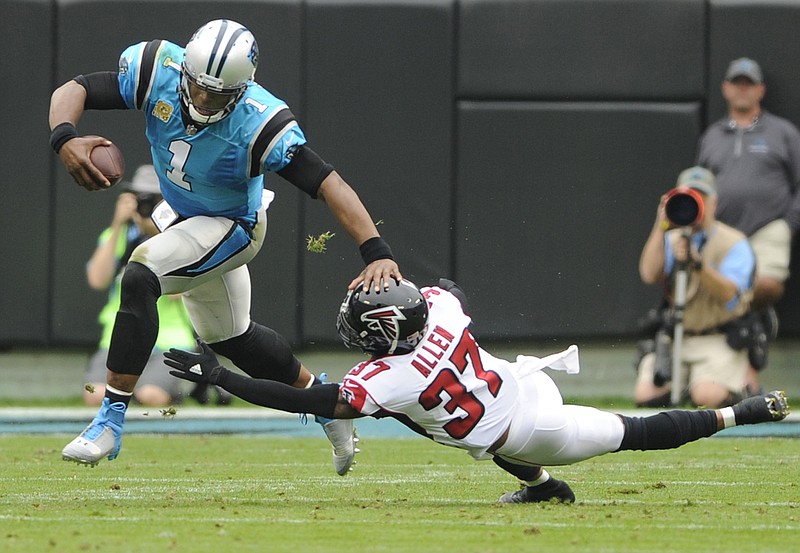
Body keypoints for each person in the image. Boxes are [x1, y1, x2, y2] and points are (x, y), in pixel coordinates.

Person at [49, 19, 401, 474]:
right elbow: (74, 88)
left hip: (234, 225)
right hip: (185, 217)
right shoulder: (159, 68)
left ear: (240, 90)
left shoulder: (258, 121)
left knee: (141, 272)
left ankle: (109, 420)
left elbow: (327, 183)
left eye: (216, 96)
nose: (200, 101)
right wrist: (64, 137)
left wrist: (377, 250)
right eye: (195, 89)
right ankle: (325, 402)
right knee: (235, 338)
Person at [164, 278, 790, 504]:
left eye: (362, 318)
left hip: (530, 430)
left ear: (384, 333)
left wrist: (219, 376)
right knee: (472, 431)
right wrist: (394, 285)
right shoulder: (438, 311)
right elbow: (443, 288)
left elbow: (305, 401)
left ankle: (740, 413)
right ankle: (545, 490)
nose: (352, 324)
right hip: (517, 388)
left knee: (635, 434)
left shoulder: (389, 376)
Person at [697, 57, 800, 393]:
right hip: (725, 232)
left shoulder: (782, 132)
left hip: (769, 226)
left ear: (761, 90)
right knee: (724, 291)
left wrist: (789, 222)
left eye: (749, 83)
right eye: (736, 83)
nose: (742, 89)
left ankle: (752, 319)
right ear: (726, 89)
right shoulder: (713, 135)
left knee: (766, 284)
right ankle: (751, 332)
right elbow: (701, 185)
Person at [636, 167, 756, 408]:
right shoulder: (671, 239)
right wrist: (661, 225)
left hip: (718, 337)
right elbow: (649, 274)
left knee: (707, 397)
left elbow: (729, 293)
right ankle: (689, 384)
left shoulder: (734, 242)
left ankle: (736, 386)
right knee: (646, 395)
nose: (696, 203)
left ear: (714, 202)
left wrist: (698, 265)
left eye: (702, 197)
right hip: (678, 337)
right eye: (690, 196)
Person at [84, 164, 202, 407]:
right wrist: (118, 225)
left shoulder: (181, 238)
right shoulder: (120, 236)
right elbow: (97, 279)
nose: (147, 206)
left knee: (151, 395)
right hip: (118, 338)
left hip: (169, 340)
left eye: (155, 200)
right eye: (142, 199)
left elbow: (177, 292)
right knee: (95, 395)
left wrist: (156, 233)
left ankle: (169, 393)